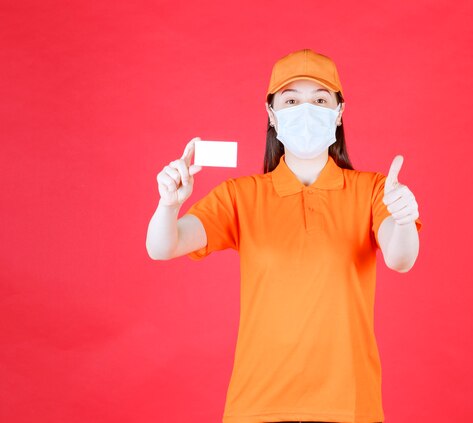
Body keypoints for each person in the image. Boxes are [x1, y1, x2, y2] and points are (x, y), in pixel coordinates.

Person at [146, 49, 423, 423]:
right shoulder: (240, 195)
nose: (306, 110)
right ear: (272, 115)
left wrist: (404, 218)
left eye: (320, 100)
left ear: (339, 113)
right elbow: (163, 246)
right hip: (259, 404)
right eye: (291, 100)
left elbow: (400, 258)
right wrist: (168, 204)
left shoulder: (373, 190)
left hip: (348, 404)